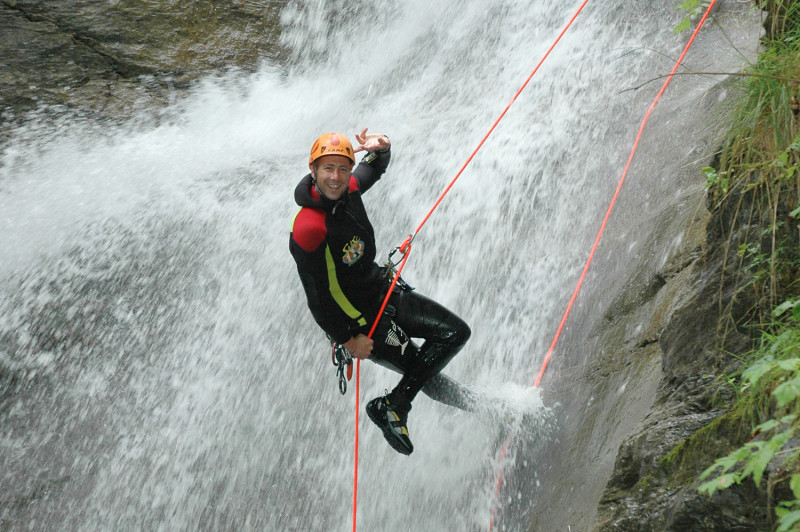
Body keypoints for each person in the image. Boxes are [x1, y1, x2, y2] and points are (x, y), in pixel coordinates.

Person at [289, 128, 474, 455]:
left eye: (343, 169)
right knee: (427, 377)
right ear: (313, 170)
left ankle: (394, 403)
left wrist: (383, 147)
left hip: (385, 293)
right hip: (361, 324)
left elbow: (373, 167)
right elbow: (317, 299)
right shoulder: (309, 227)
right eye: (328, 168)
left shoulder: (351, 190)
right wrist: (348, 339)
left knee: (454, 333)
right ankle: (492, 413)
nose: (336, 177)